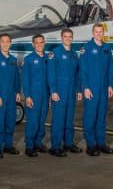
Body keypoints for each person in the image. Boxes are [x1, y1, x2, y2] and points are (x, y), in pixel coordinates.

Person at [80, 23, 113, 156]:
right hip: (91, 88)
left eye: (101, 32)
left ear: (103, 33)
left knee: (101, 117)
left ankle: (101, 143)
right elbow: (83, 70)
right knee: (90, 116)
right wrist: (86, 87)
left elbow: (110, 68)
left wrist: (110, 85)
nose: (99, 34)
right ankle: (90, 145)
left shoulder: (106, 48)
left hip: (104, 88)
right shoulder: (86, 48)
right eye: (96, 32)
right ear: (93, 33)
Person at [47, 29, 83, 157]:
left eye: (70, 37)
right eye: (65, 36)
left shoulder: (74, 54)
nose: (68, 39)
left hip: (71, 90)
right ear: (62, 38)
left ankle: (68, 143)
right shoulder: (54, 53)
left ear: (72, 38)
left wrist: (79, 89)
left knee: (69, 119)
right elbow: (51, 73)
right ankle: (55, 147)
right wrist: (53, 91)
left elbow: (78, 73)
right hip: (59, 90)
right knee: (58, 119)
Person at [0, 33, 21, 159]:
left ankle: (8, 145)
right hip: (0, 97)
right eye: (3, 41)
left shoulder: (13, 60)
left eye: (8, 41)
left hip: (11, 97)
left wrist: (18, 92)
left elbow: (17, 77)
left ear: (10, 43)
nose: (5, 43)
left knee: (10, 122)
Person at [22, 34, 50, 157]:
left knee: (41, 120)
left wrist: (49, 95)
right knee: (33, 121)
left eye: (41, 42)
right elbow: (25, 79)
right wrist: (27, 96)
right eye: (37, 43)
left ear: (44, 43)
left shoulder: (48, 58)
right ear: (33, 44)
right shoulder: (28, 59)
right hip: (33, 95)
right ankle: (29, 146)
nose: (39, 44)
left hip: (45, 95)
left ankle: (38, 143)